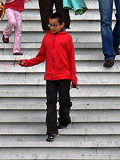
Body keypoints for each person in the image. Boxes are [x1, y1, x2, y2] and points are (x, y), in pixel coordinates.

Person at [19, 12, 77, 142]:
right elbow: (41, 56)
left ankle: (64, 119)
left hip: (64, 76)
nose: (51, 27)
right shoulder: (46, 38)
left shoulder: (67, 38)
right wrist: (27, 63)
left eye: (54, 25)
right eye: (49, 25)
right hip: (50, 76)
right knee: (50, 104)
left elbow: (71, 58)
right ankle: (51, 131)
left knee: (64, 101)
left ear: (62, 25)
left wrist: (74, 77)